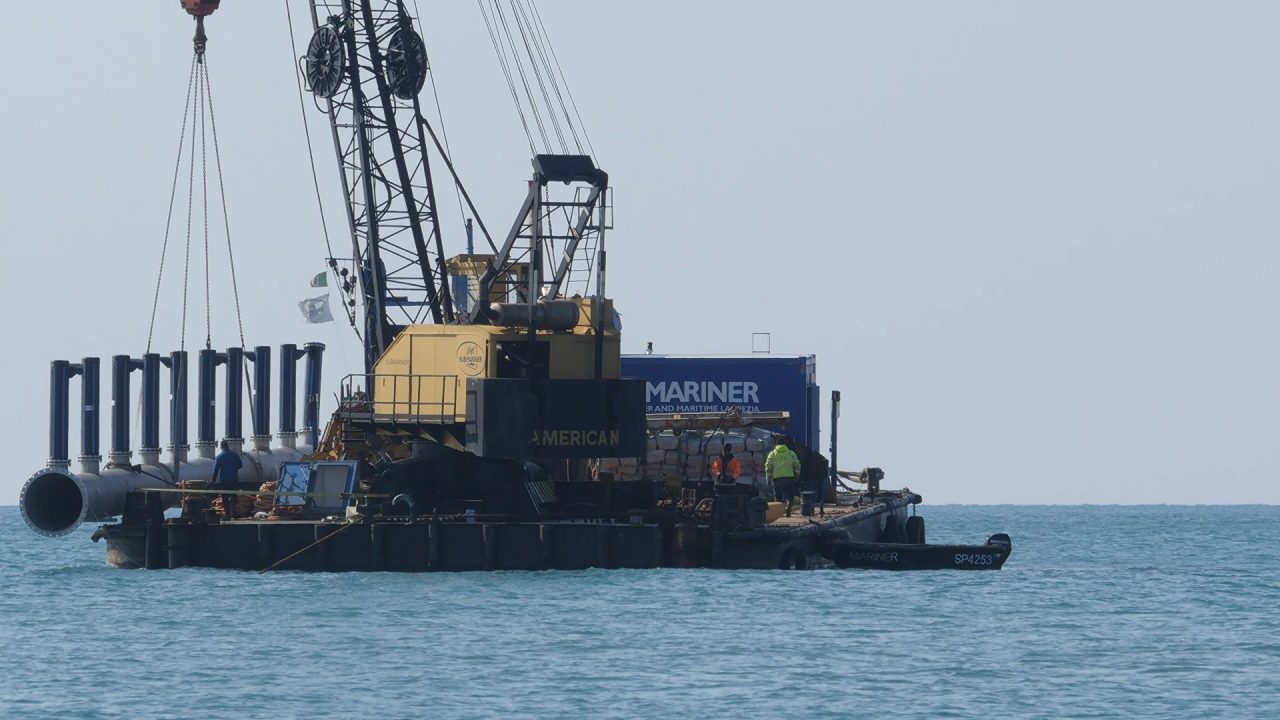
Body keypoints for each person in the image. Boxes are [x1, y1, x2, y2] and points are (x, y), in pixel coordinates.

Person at [765, 439, 802, 516]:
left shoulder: (772, 454)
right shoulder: (790, 453)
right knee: (789, 495)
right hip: (789, 477)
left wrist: (768, 478)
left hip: (777, 478)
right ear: (785, 444)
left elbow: (768, 466)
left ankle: (778, 513)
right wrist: (797, 474)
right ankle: (788, 507)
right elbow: (797, 464)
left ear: (776, 444)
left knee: (778, 496)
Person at [210, 439, 244, 519]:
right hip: (234, 479)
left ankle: (228, 515)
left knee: (225, 497)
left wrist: (213, 480)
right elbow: (240, 465)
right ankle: (234, 513)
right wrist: (233, 468)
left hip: (224, 480)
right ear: (228, 446)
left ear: (221, 447)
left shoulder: (219, 457)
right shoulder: (234, 455)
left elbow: (215, 470)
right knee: (233, 496)